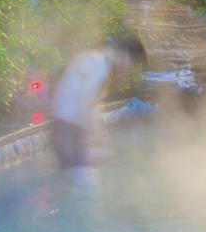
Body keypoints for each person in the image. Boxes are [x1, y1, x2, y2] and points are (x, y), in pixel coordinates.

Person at [50, 35, 147, 169]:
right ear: (126, 55)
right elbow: (84, 103)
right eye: (132, 63)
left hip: (63, 125)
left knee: (75, 173)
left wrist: (100, 136)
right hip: (69, 129)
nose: (129, 69)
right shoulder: (99, 65)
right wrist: (94, 139)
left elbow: (91, 104)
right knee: (84, 176)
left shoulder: (95, 58)